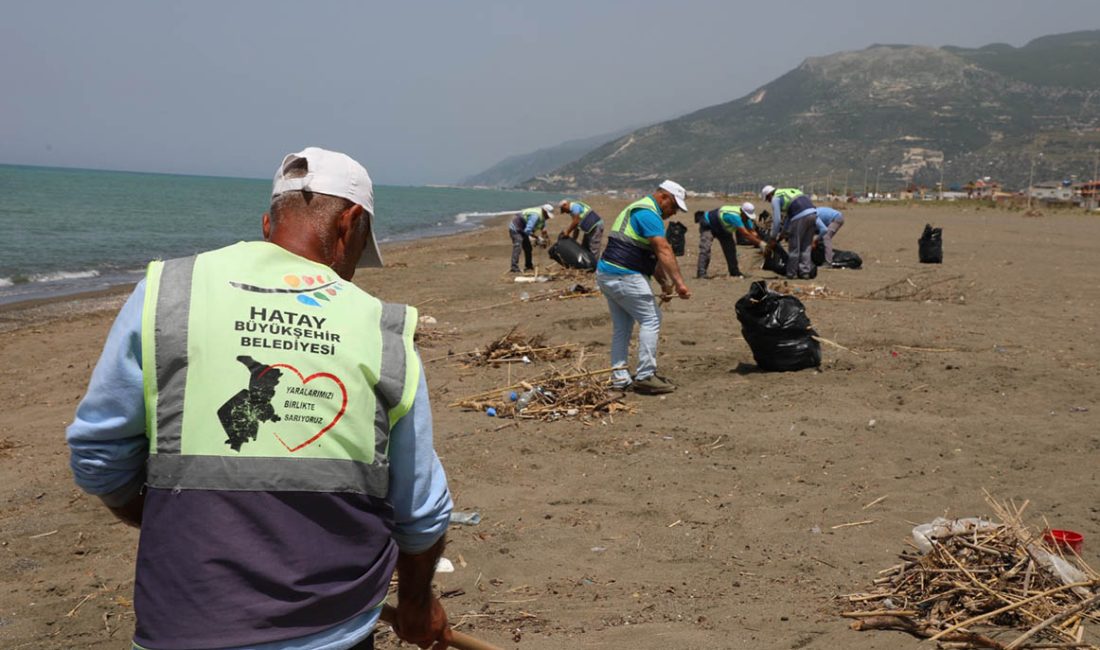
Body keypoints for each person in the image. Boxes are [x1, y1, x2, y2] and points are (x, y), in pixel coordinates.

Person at [66, 147, 454, 650]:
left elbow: (98, 457)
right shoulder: (380, 327)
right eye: (361, 249)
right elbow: (420, 511)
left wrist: (179, 518)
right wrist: (420, 604)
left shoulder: (169, 291)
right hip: (332, 632)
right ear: (351, 224)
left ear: (269, 224)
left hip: (181, 625)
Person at [596, 180, 692, 395]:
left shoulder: (638, 209)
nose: (673, 213)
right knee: (652, 319)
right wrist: (680, 284)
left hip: (607, 273)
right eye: (674, 206)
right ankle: (646, 375)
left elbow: (648, 253)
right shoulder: (649, 213)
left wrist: (664, 283)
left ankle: (619, 377)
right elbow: (663, 250)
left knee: (623, 327)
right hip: (624, 274)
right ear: (664, 197)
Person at [694, 202, 766, 278]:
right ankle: (701, 273)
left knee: (730, 249)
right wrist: (761, 244)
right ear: (742, 211)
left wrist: (761, 242)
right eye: (747, 216)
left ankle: (734, 271)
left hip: (723, 229)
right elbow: (745, 234)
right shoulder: (734, 216)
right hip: (708, 224)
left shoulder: (746, 218)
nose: (748, 218)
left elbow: (752, 232)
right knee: (705, 248)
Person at [762, 184, 818, 279]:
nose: (769, 201)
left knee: (794, 247)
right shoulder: (790, 191)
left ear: (769, 195)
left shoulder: (776, 198)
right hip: (813, 214)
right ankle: (805, 273)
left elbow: (777, 221)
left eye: (768, 200)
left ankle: (791, 273)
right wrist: (783, 233)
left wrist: (772, 238)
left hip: (799, 216)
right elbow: (789, 217)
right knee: (806, 246)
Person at [509, 203, 554, 273]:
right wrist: (537, 238)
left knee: (528, 248)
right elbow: (527, 231)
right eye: (548, 215)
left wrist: (546, 239)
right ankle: (514, 267)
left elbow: (543, 229)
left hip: (524, 229)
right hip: (516, 228)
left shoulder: (543, 217)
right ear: (544, 211)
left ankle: (528, 265)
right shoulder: (535, 216)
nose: (548, 217)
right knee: (518, 245)